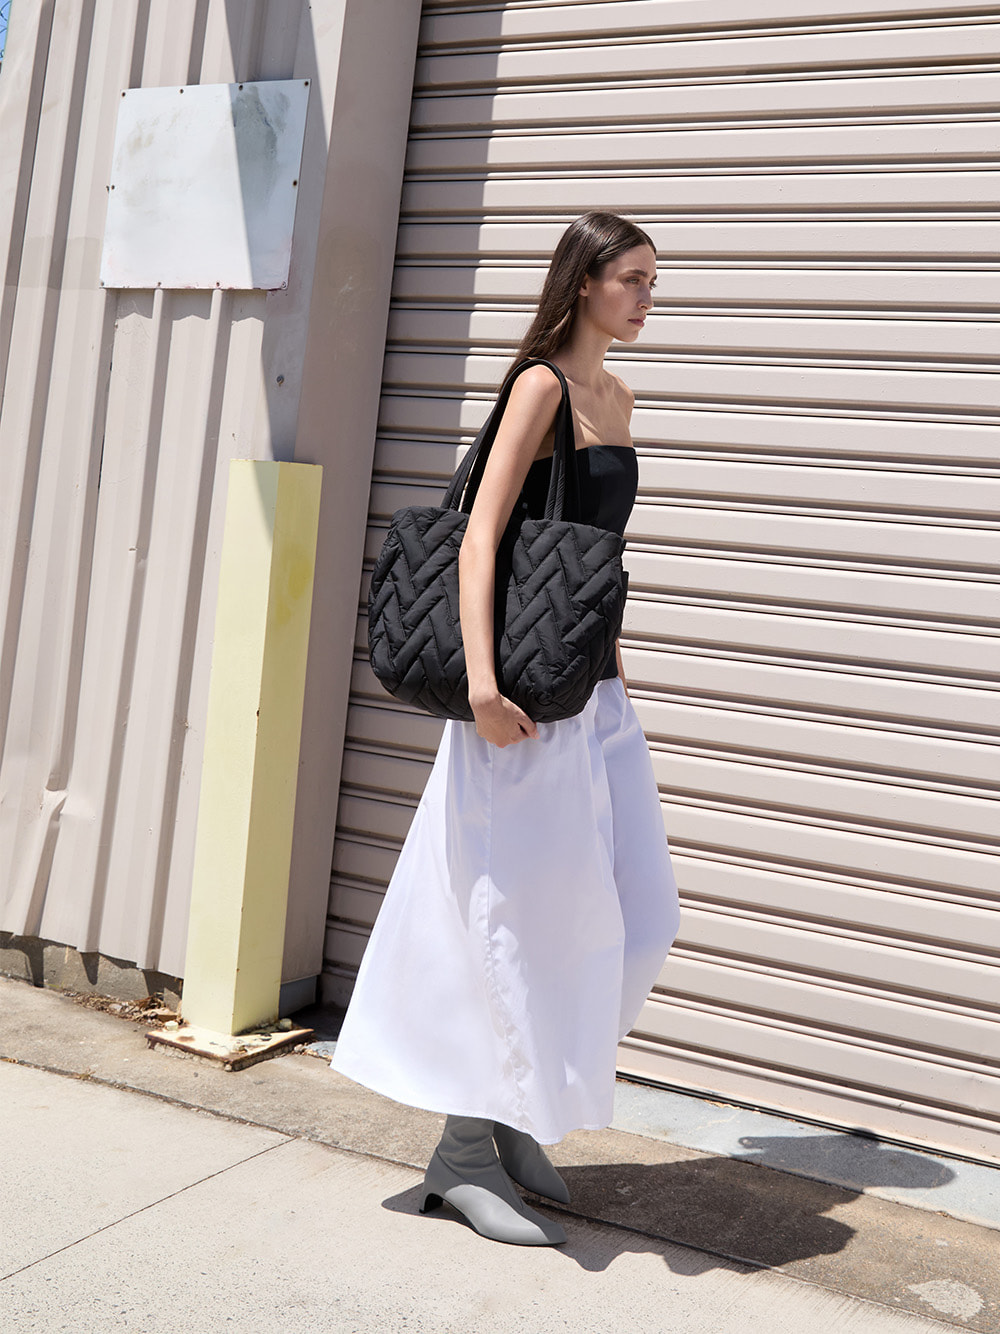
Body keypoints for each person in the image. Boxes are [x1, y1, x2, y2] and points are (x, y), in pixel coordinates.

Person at [332, 212, 680, 1247]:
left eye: (653, 281)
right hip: (517, 708)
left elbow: (587, 554)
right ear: (583, 286)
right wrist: (481, 682)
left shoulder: (615, 393)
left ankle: (516, 1107)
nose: (647, 298)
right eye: (633, 280)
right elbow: (482, 533)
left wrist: (611, 661)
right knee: (509, 922)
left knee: (631, 912)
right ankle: (465, 1151)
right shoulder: (541, 385)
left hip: (591, 695)